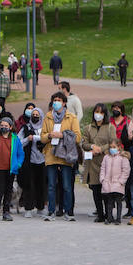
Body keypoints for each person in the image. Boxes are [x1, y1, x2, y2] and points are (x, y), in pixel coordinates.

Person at [40, 93, 81, 221]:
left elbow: (78, 137)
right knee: (51, 185)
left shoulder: (71, 117)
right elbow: (42, 137)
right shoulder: (47, 117)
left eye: (58, 100)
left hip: (65, 156)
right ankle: (51, 211)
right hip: (51, 155)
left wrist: (63, 136)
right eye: (54, 100)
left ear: (64, 103)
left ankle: (68, 212)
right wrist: (50, 136)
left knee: (67, 186)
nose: (56, 103)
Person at [81, 103, 116, 223]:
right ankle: (100, 214)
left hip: (105, 162)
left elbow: (113, 142)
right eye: (96, 112)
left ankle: (108, 213)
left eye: (101, 112)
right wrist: (91, 146)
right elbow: (84, 143)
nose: (98, 115)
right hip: (92, 163)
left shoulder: (110, 127)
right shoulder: (88, 128)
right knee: (95, 190)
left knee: (106, 190)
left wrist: (100, 149)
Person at [0, 116, 23, 221]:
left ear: (10, 127)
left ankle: (6, 211)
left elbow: (20, 154)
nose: (3, 127)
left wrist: (18, 164)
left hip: (11, 169)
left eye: (6, 125)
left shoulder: (15, 138)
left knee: (9, 190)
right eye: (2, 125)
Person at [99, 140, 129, 225]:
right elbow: (103, 168)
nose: (112, 149)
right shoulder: (106, 157)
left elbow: (126, 170)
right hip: (108, 183)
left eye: (114, 147)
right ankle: (109, 217)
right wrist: (102, 179)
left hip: (118, 184)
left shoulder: (123, 157)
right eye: (111, 147)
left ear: (119, 147)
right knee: (109, 202)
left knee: (118, 202)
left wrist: (121, 181)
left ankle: (118, 218)